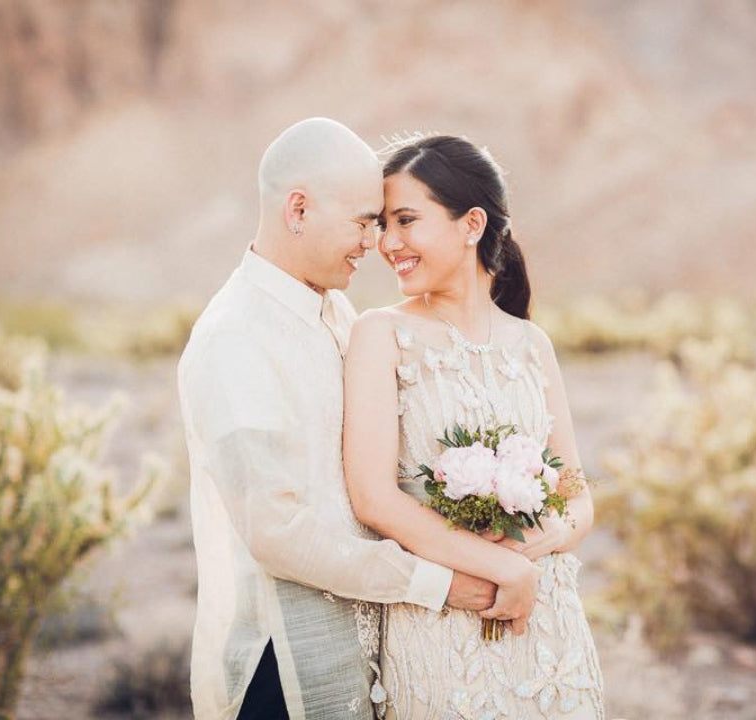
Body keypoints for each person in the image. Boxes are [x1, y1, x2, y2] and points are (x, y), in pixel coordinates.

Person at [177, 118, 514, 720]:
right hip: (281, 675)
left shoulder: (334, 309)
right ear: (299, 210)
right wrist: (436, 583)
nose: (375, 242)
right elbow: (276, 532)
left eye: (381, 222)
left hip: (368, 661)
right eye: (363, 221)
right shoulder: (234, 339)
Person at [343, 135, 605, 719]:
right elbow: (374, 498)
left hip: (549, 626)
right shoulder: (381, 334)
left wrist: (533, 547)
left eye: (406, 220)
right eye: (383, 225)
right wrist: (499, 567)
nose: (388, 244)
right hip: (445, 630)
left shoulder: (531, 344)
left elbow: (578, 496)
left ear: (472, 223)